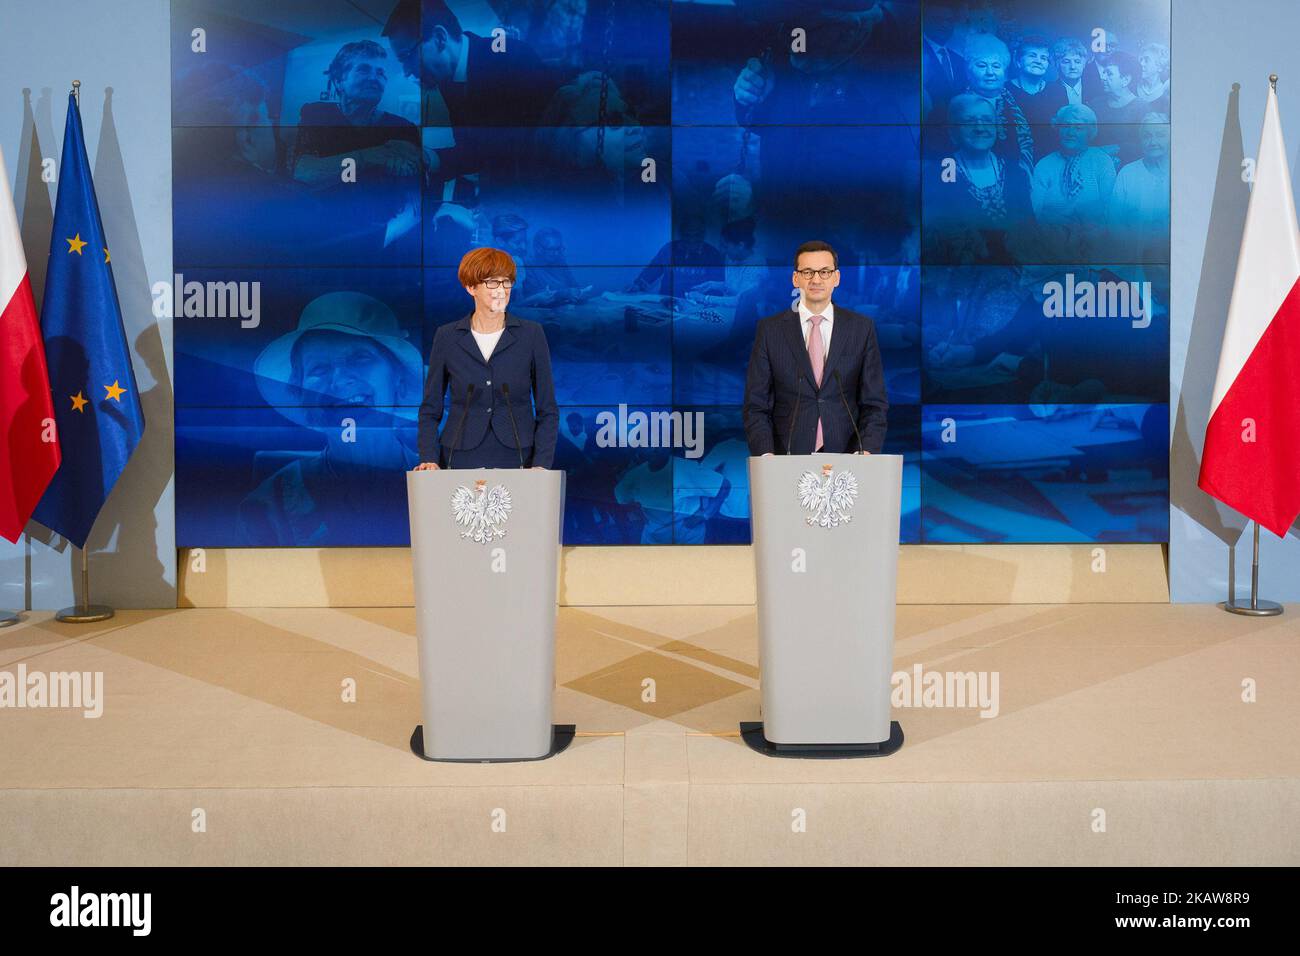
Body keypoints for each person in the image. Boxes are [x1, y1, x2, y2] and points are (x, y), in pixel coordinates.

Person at [415, 247, 558, 470]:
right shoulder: (447, 336)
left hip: (519, 455)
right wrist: (428, 458)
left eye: (506, 282)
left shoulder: (531, 334)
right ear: (471, 287)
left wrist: (541, 463)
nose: (501, 290)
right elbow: (430, 408)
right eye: (492, 282)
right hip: (459, 453)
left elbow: (547, 408)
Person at [742, 240, 889, 456]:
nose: (816, 279)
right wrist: (766, 455)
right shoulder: (770, 330)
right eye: (808, 272)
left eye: (825, 272)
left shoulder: (861, 328)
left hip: (849, 457)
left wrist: (866, 451)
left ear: (836, 278)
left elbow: (874, 403)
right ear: (795, 278)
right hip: (785, 456)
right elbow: (756, 405)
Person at [1031, 104, 1117, 261]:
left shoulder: (1102, 161)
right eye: (1065, 126)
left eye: (1078, 128)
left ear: (1090, 132)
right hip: (1053, 244)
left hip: (1092, 243)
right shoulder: (1044, 165)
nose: (1070, 133)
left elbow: (1110, 209)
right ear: (1057, 128)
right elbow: (1035, 214)